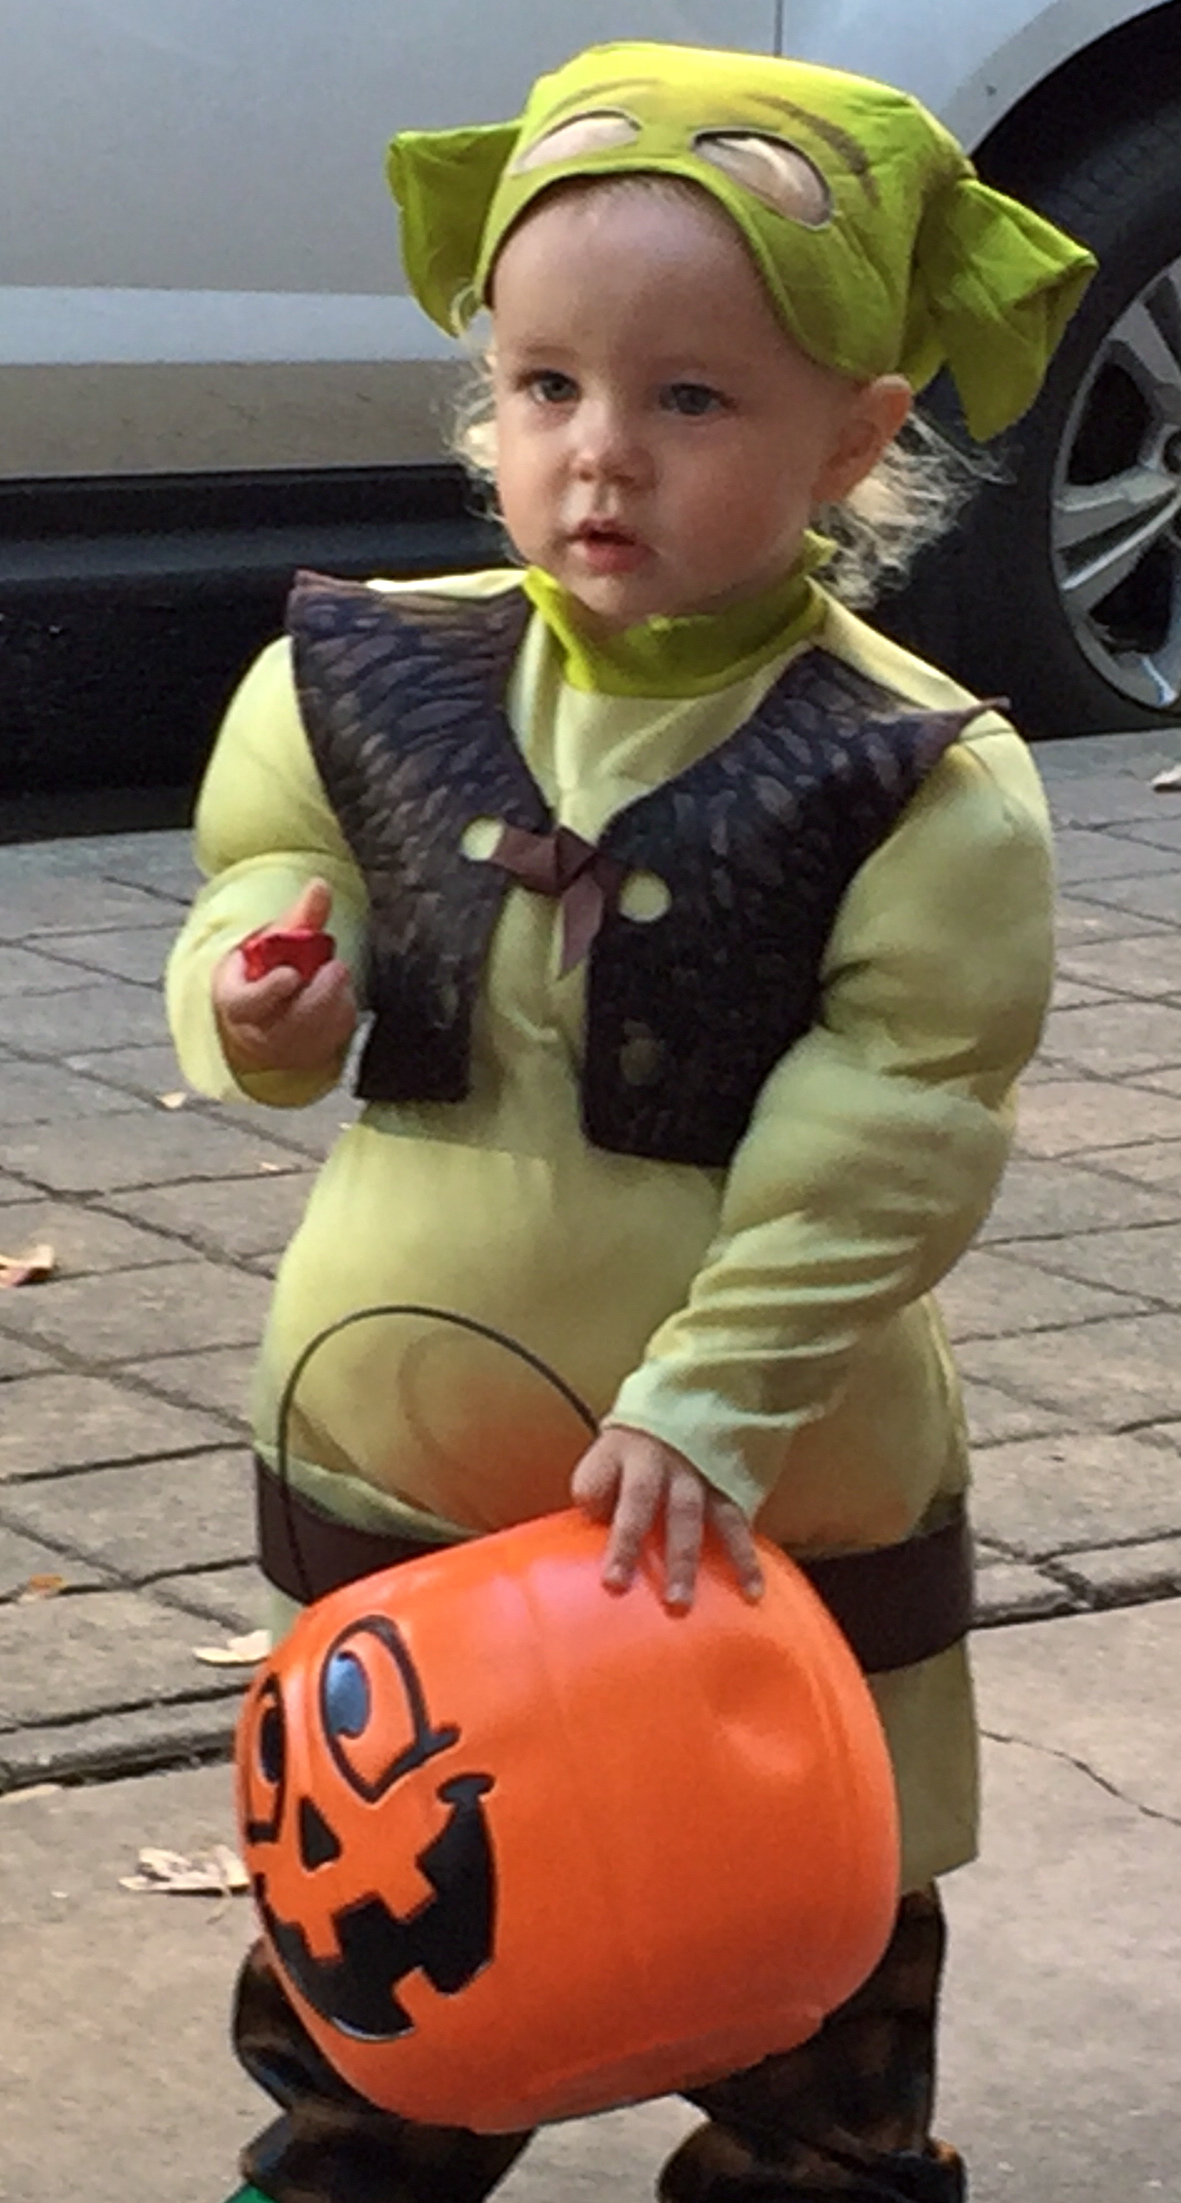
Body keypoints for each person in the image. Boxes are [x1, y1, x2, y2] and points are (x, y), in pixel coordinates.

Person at [166, 39, 1094, 2203]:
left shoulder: (916, 773)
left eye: (690, 398)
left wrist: (716, 1394)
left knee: (808, 1886)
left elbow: (900, 1112)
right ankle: (352, 2154)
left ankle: (809, 2158)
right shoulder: (354, 676)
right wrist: (262, 981)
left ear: (855, 437)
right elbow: (260, 867)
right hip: (408, 1435)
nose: (599, 452)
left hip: (759, 1474)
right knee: (390, 1862)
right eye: (546, 386)